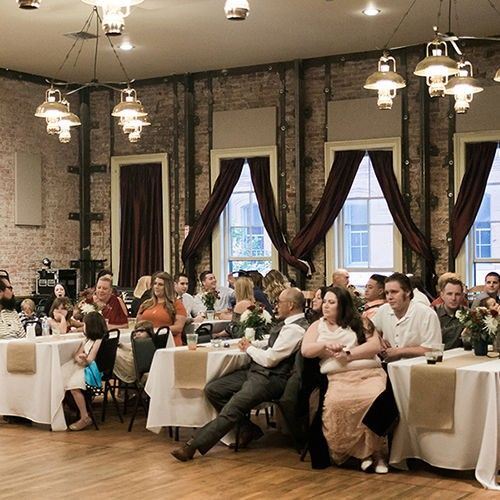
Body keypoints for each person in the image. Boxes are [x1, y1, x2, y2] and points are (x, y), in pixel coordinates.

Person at [171, 288, 308, 462]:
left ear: (291, 305)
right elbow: (273, 346)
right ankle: (247, 428)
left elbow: (271, 359)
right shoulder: (288, 325)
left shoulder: (295, 329)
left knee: (234, 407)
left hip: (272, 378)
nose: (276, 306)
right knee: (214, 389)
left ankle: (193, 445)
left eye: (279, 302)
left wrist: (249, 349)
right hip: (257, 372)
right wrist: (253, 345)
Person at [301, 286, 387, 473]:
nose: (326, 306)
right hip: (338, 377)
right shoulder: (317, 326)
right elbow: (306, 350)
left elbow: (375, 346)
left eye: (331, 302)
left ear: (342, 305)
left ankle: (378, 454)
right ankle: (361, 454)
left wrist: (348, 354)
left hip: (367, 373)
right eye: (325, 301)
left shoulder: (361, 322)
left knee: (373, 399)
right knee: (336, 403)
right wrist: (324, 344)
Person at [372, 273, 442, 362]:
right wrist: (378, 339)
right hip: (389, 366)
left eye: (394, 292)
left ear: (408, 292)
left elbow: (434, 350)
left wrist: (399, 351)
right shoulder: (383, 310)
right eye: (387, 293)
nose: (389, 297)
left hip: (418, 366)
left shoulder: (427, 314)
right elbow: (367, 328)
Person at [61, 311, 106, 431]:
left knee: (74, 386)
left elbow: (91, 359)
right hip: (81, 365)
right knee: (61, 376)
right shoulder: (86, 340)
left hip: (90, 369)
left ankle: (84, 416)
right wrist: (79, 358)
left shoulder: (98, 341)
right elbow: (77, 354)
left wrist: (84, 359)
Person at [137, 272, 187, 346]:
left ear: (167, 287)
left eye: (160, 284)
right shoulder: (146, 304)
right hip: (146, 343)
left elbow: (178, 328)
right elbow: (138, 324)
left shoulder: (177, 304)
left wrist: (154, 331)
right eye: (155, 284)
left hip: (168, 343)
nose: (156, 287)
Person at [433, 277, 467, 350]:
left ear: (462, 296)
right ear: (442, 295)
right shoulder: (433, 314)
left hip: (461, 354)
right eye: (449, 294)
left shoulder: (468, 314)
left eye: (457, 294)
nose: (453, 298)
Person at [0, 275, 26, 339]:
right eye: (10, 288)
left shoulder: (13, 313)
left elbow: (23, 337)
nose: (12, 292)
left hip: (18, 344)